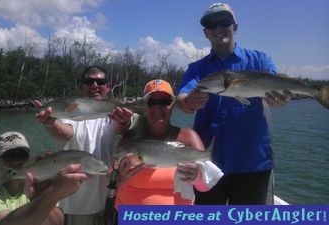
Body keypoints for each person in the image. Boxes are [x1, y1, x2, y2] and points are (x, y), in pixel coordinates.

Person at [176, 3, 291, 205]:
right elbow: (183, 102)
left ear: (235, 27)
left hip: (253, 161)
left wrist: (280, 100)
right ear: (206, 33)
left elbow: (279, 93)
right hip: (208, 163)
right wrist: (189, 102)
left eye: (224, 22)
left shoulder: (260, 60)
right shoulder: (197, 69)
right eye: (212, 25)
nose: (218, 28)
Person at [33, 66, 132, 225]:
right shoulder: (71, 114)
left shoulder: (117, 114)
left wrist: (124, 122)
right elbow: (63, 131)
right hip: (77, 207)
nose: (94, 85)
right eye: (89, 81)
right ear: (81, 87)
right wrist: (49, 124)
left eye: (100, 81)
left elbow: (119, 129)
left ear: (108, 86)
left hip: (113, 204)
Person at [0, 131, 88, 225]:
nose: (17, 162)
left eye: (22, 155)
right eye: (10, 156)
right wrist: (54, 193)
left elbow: (57, 222)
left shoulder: (32, 189)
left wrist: (41, 195)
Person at [114, 79, 206, 209]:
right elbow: (112, 177)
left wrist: (198, 176)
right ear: (144, 106)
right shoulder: (130, 139)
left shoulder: (189, 137)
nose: (158, 107)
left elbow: (206, 185)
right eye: (152, 102)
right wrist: (121, 178)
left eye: (164, 102)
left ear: (172, 105)